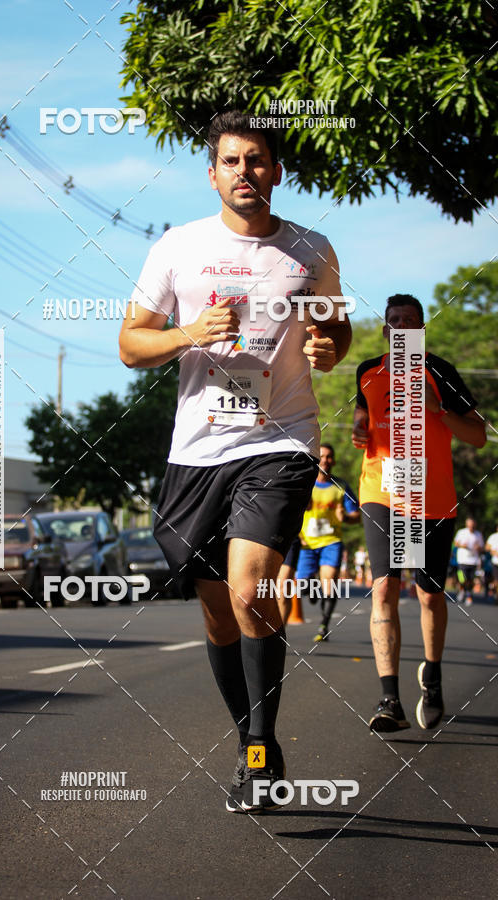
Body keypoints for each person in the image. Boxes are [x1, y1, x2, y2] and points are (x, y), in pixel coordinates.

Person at [119, 110, 351, 813]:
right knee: (220, 615)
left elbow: (336, 326)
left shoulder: (311, 249)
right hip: (196, 452)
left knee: (254, 591)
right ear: (213, 173)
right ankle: (253, 737)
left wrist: (329, 348)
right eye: (231, 161)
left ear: (276, 171)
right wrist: (189, 333)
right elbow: (131, 343)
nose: (245, 172)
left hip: (280, 440)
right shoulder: (178, 247)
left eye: (257, 160)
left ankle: (259, 754)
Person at [351, 294, 486, 732]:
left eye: (411, 320)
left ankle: (432, 674)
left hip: (432, 498)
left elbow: (479, 436)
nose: (402, 325)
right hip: (382, 492)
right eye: (395, 320)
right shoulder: (368, 371)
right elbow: (362, 417)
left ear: (421, 330)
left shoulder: (440, 371)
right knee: (385, 585)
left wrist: (439, 410)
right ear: (387, 330)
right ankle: (389, 698)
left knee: (428, 594)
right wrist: (357, 429)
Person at [276, 443, 360, 640]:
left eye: (329, 457)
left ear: (334, 461)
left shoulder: (341, 486)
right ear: (316, 458)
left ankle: (324, 625)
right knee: (303, 587)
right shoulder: (305, 483)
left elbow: (357, 514)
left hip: (331, 542)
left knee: (329, 582)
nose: (325, 460)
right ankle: (314, 583)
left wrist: (345, 518)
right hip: (307, 544)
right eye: (322, 456)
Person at [454, 517, 485, 605]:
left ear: (475, 525)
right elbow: (455, 543)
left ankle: (468, 595)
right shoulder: (461, 532)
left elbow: (482, 547)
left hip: (473, 560)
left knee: (470, 580)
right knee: (462, 578)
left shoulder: (478, 534)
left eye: (473, 526)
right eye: (470, 526)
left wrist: (478, 547)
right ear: (467, 525)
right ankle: (462, 590)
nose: (471, 527)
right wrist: (462, 545)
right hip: (462, 559)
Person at [486, 524, 498, 601]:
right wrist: (492, 551)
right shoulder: (493, 537)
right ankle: (495, 592)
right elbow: (487, 547)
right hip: (495, 562)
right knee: (496, 580)